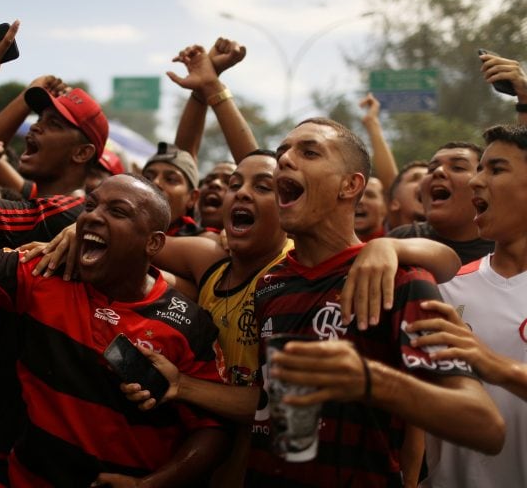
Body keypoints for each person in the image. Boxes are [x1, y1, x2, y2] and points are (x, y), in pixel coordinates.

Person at [123, 118, 505, 487]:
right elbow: (267, 403)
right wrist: (184, 386)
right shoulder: (272, 286)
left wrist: (371, 381)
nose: (285, 159)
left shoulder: (399, 279)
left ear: (350, 185)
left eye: (309, 152)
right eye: (283, 151)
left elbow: (484, 426)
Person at [0, 98, 229, 485]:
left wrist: (150, 485)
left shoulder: (189, 323)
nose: (94, 216)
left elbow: (213, 430)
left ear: (154, 244)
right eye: (93, 206)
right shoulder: (44, 275)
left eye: (118, 212)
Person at [407, 124, 527, 487]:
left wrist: (490, 364)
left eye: (496, 169)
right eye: (479, 169)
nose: (477, 181)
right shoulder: (444, 289)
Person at [389, 142, 495, 264]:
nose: (438, 171)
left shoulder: (505, 250)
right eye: (432, 168)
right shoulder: (398, 240)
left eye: (458, 167)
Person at [142, 142, 202, 236]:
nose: (155, 182)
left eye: (171, 179)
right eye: (148, 177)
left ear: (192, 198)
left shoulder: (204, 243)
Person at [386, 161, 427, 230]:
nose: (426, 182)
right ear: (394, 203)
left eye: (429, 177)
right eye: (415, 178)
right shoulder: (377, 239)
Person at [354, 176, 388, 241]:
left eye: (370, 195)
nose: (360, 200)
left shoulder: (400, 240)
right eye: (355, 195)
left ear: (385, 207)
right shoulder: (331, 247)